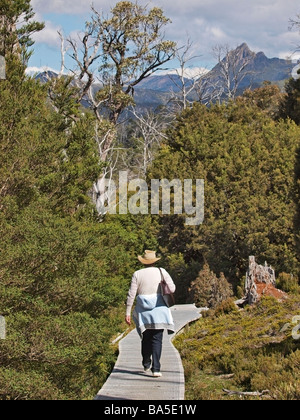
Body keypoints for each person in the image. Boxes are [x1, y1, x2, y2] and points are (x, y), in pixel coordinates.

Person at [125, 250, 176, 378]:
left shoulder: (137, 274)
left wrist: (128, 312)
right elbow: (173, 288)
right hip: (159, 310)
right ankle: (156, 369)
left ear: (143, 261)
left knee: (146, 338)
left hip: (143, 313)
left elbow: (131, 294)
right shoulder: (161, 271)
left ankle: (146, 362)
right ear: (154, 261)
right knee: (157, 339)